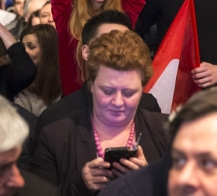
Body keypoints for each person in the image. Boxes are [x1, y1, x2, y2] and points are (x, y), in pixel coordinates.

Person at [31, 30, 168, 195]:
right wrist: (79, 187)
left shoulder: (169, 132)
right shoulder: (56, 137)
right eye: (108, 91)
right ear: (91, 85)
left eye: (129, 93)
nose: (118, 102)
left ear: (142, 90)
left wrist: (149, 182)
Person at [34, 10, 160, 138]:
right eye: (105, 44)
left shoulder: (148, 107)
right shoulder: (55, 118)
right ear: (86, 52)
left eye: (126, 43)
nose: (117, 50)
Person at [15, 25, 61, 116]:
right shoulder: (17, 83)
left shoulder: (65, 82)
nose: (24, 52)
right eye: (22, 47)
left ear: (47, 51)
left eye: (31, 46)